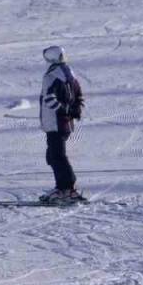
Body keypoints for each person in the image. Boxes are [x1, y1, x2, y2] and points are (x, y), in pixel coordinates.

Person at [38, 45, 85, 203]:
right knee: (52, 156)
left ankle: (67, 189)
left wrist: (65, 110)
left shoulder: (50, 77)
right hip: (65, 124)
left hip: (55, 123)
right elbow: (79, 95)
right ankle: (62, 187)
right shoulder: (70, 74)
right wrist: (75, 109)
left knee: (57, 156)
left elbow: (49, 99)